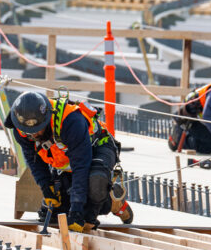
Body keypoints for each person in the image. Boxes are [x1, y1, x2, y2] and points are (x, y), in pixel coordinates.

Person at [7, 90, 133, 232]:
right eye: (28, 132)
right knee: (56, 212)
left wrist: (77, 210)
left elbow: (81, 166)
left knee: (93, 190)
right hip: (68, 159)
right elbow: (33, 160)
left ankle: (113, 202)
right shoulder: (20, 127)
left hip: (98, 148)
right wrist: (47, 189)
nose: (33, 135)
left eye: (37, 130)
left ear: (47, 119)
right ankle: (99, 201)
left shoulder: (71, 121)